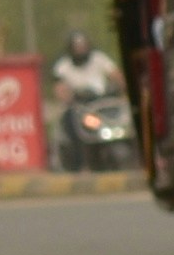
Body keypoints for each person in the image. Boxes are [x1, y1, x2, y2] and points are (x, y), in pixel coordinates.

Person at [47, 29, 121, 169]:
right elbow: (59, 88)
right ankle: (79, 164)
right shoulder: (63, 66)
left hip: (101, 103)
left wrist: (120, 88)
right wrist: (69, 96)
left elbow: (116, 75)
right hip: (79, 106)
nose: (80, 50)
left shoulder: (99, 59)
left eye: (83, 46)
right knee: (70, 123)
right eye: (77, 47)